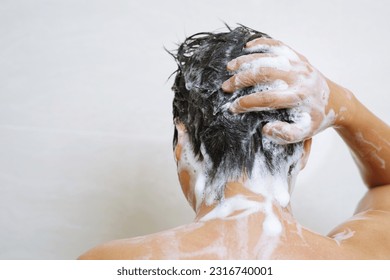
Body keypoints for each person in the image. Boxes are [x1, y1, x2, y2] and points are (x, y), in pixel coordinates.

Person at [78, 26, 390, 259]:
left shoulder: (107, 264)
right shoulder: (363, 258)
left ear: (182, 145)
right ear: (304, 148)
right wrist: (343, 105)